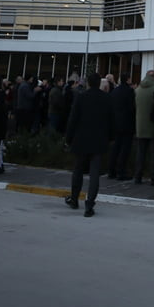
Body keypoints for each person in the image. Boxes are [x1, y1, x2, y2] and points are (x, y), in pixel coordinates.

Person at [64, 73, 113, 218]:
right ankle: (89, 204)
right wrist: (109, 138)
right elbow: (111, 121)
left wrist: (68, 138)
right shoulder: (106, 98)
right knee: (94, 173)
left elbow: (73, 119)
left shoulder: (81, 97)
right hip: (99, 140)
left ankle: (74, 199)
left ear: (88, 83)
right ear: (99, 83)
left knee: (78, 170)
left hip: (81, 139)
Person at [132, 70, 154, 184]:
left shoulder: (137, 90)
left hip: (140, 125)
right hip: (152, 125)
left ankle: (138, 176)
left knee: (140, 153)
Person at [107, 73, 135, 180]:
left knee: (116, 147)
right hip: (127, 123)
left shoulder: (115, 91)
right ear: (127, 80)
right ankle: (121, 171)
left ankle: (111, 170)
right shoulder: (129, 91)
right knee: (125, 149)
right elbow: (132, 108)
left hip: (116, 123)